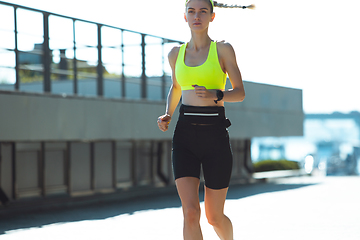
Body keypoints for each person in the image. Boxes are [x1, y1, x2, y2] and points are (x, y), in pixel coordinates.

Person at [157, 0, 252, 239]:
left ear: (212, 16)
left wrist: (216, 94)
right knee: (190, 212)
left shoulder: (223, 49)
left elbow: (239, 92)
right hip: (185, 135)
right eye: (191, 11)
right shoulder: (175, 54)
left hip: (215, 137)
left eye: (202, 11)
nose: (196, 16)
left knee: (214, 217)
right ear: (185, 17)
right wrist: (168, 112)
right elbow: (176, 87)